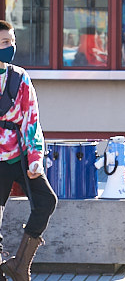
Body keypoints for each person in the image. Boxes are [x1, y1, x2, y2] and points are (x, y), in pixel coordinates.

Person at [0, 20, 58, 281]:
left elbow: (31, 120)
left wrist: (36, 158)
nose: (10, 47)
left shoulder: (20, 77)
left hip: (21, 157)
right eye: (4, 43)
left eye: (12, 42)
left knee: (46, 200)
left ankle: (21, 264)